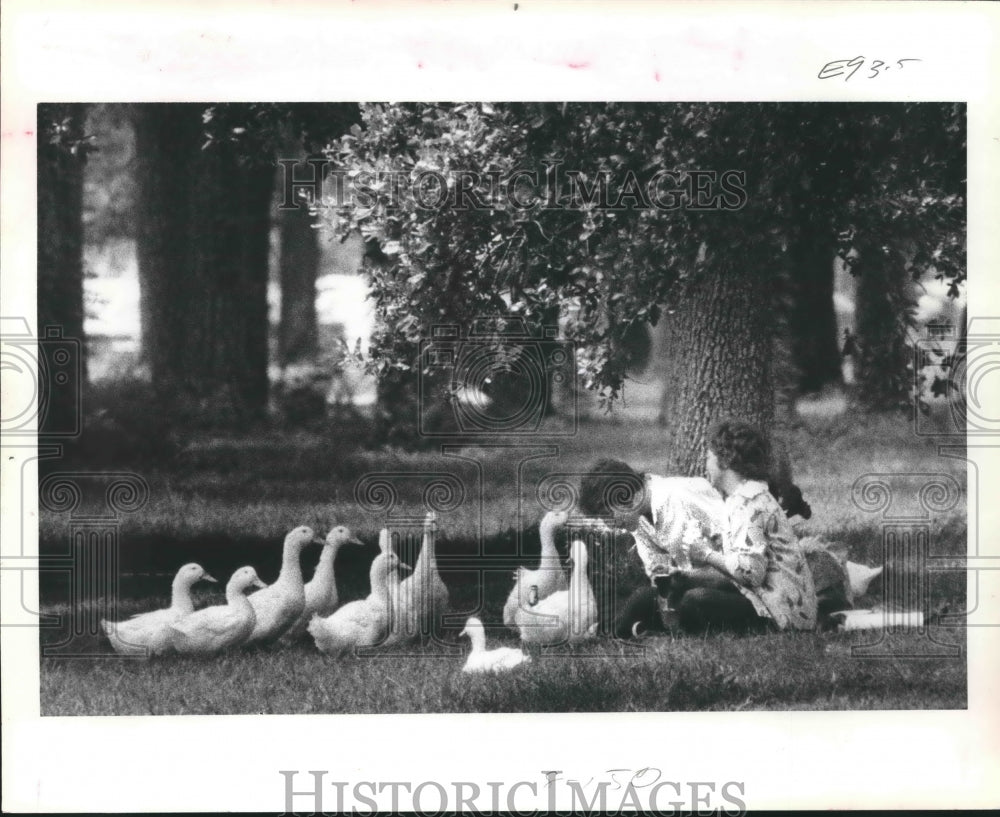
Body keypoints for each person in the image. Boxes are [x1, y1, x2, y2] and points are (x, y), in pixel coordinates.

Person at [678, 420, 818, 633]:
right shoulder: (744, 496)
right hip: (769, 596)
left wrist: (706, 555)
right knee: (685, 586)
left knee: (694, 601)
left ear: (725, 461)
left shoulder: (749, 503)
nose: (705, 464)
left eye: (708, 457)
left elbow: (750, 573)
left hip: (782, 613)